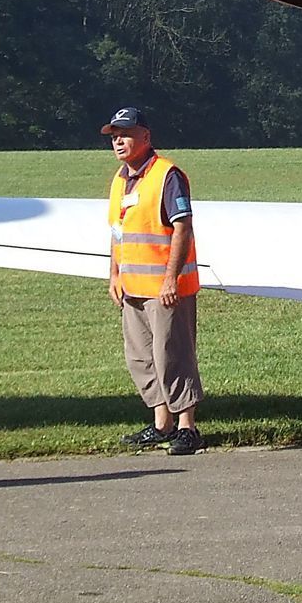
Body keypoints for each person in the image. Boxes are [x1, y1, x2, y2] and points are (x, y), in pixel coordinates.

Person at [103, 107, 205, 456]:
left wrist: (171, 279)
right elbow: (117, 230)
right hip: (132, 288)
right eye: (114, 135)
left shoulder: (167, 175)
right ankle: (161, 423)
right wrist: (114, 273)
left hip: (165, 291)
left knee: (171, 355)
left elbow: (182, 226)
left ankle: (187, 427)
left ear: (146, 137)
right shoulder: (120, 179)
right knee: (141, 358)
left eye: (126, 133)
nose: (118, 140)